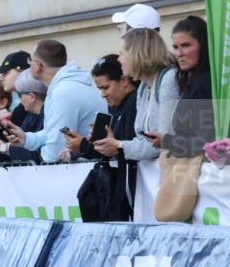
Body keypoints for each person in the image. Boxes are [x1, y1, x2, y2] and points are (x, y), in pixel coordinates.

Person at [4, 40, 106, 163]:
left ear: (38, 66)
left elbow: (55, 150)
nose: (29, 65)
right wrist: (26, 139)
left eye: (30, 61)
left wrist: (40, 156)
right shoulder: (65, 87)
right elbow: (53, 132)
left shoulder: (62, 93)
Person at [92, 28, 177, 161]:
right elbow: (144, 139)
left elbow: (162, 142)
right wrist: (115, 144)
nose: (119, 60)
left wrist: (119, 146)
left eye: (122, 54)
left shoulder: (169, 80)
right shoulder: (144, 86)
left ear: (137, 54)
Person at [147, 15, 216, 157]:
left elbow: (207, 142)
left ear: (203, 45)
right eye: (175, 47)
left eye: (186, 45)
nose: (179, 54)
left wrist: (167, 141)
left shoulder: (205, 82)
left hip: (209, 173)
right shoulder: (191, 81)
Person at [64, 55, 137, 161]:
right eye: (100, 89)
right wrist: (88, 145)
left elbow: (129, 150)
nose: (102, 95)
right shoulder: (115, 104)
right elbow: (109, 151)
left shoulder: (135, 103)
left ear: (124, 81)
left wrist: (84, 146)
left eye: (106, 88)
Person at [0, 50, 31, 126]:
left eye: (5, 73)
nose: (1, 78)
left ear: (22, 71)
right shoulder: (22, 107)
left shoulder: (39, 102)